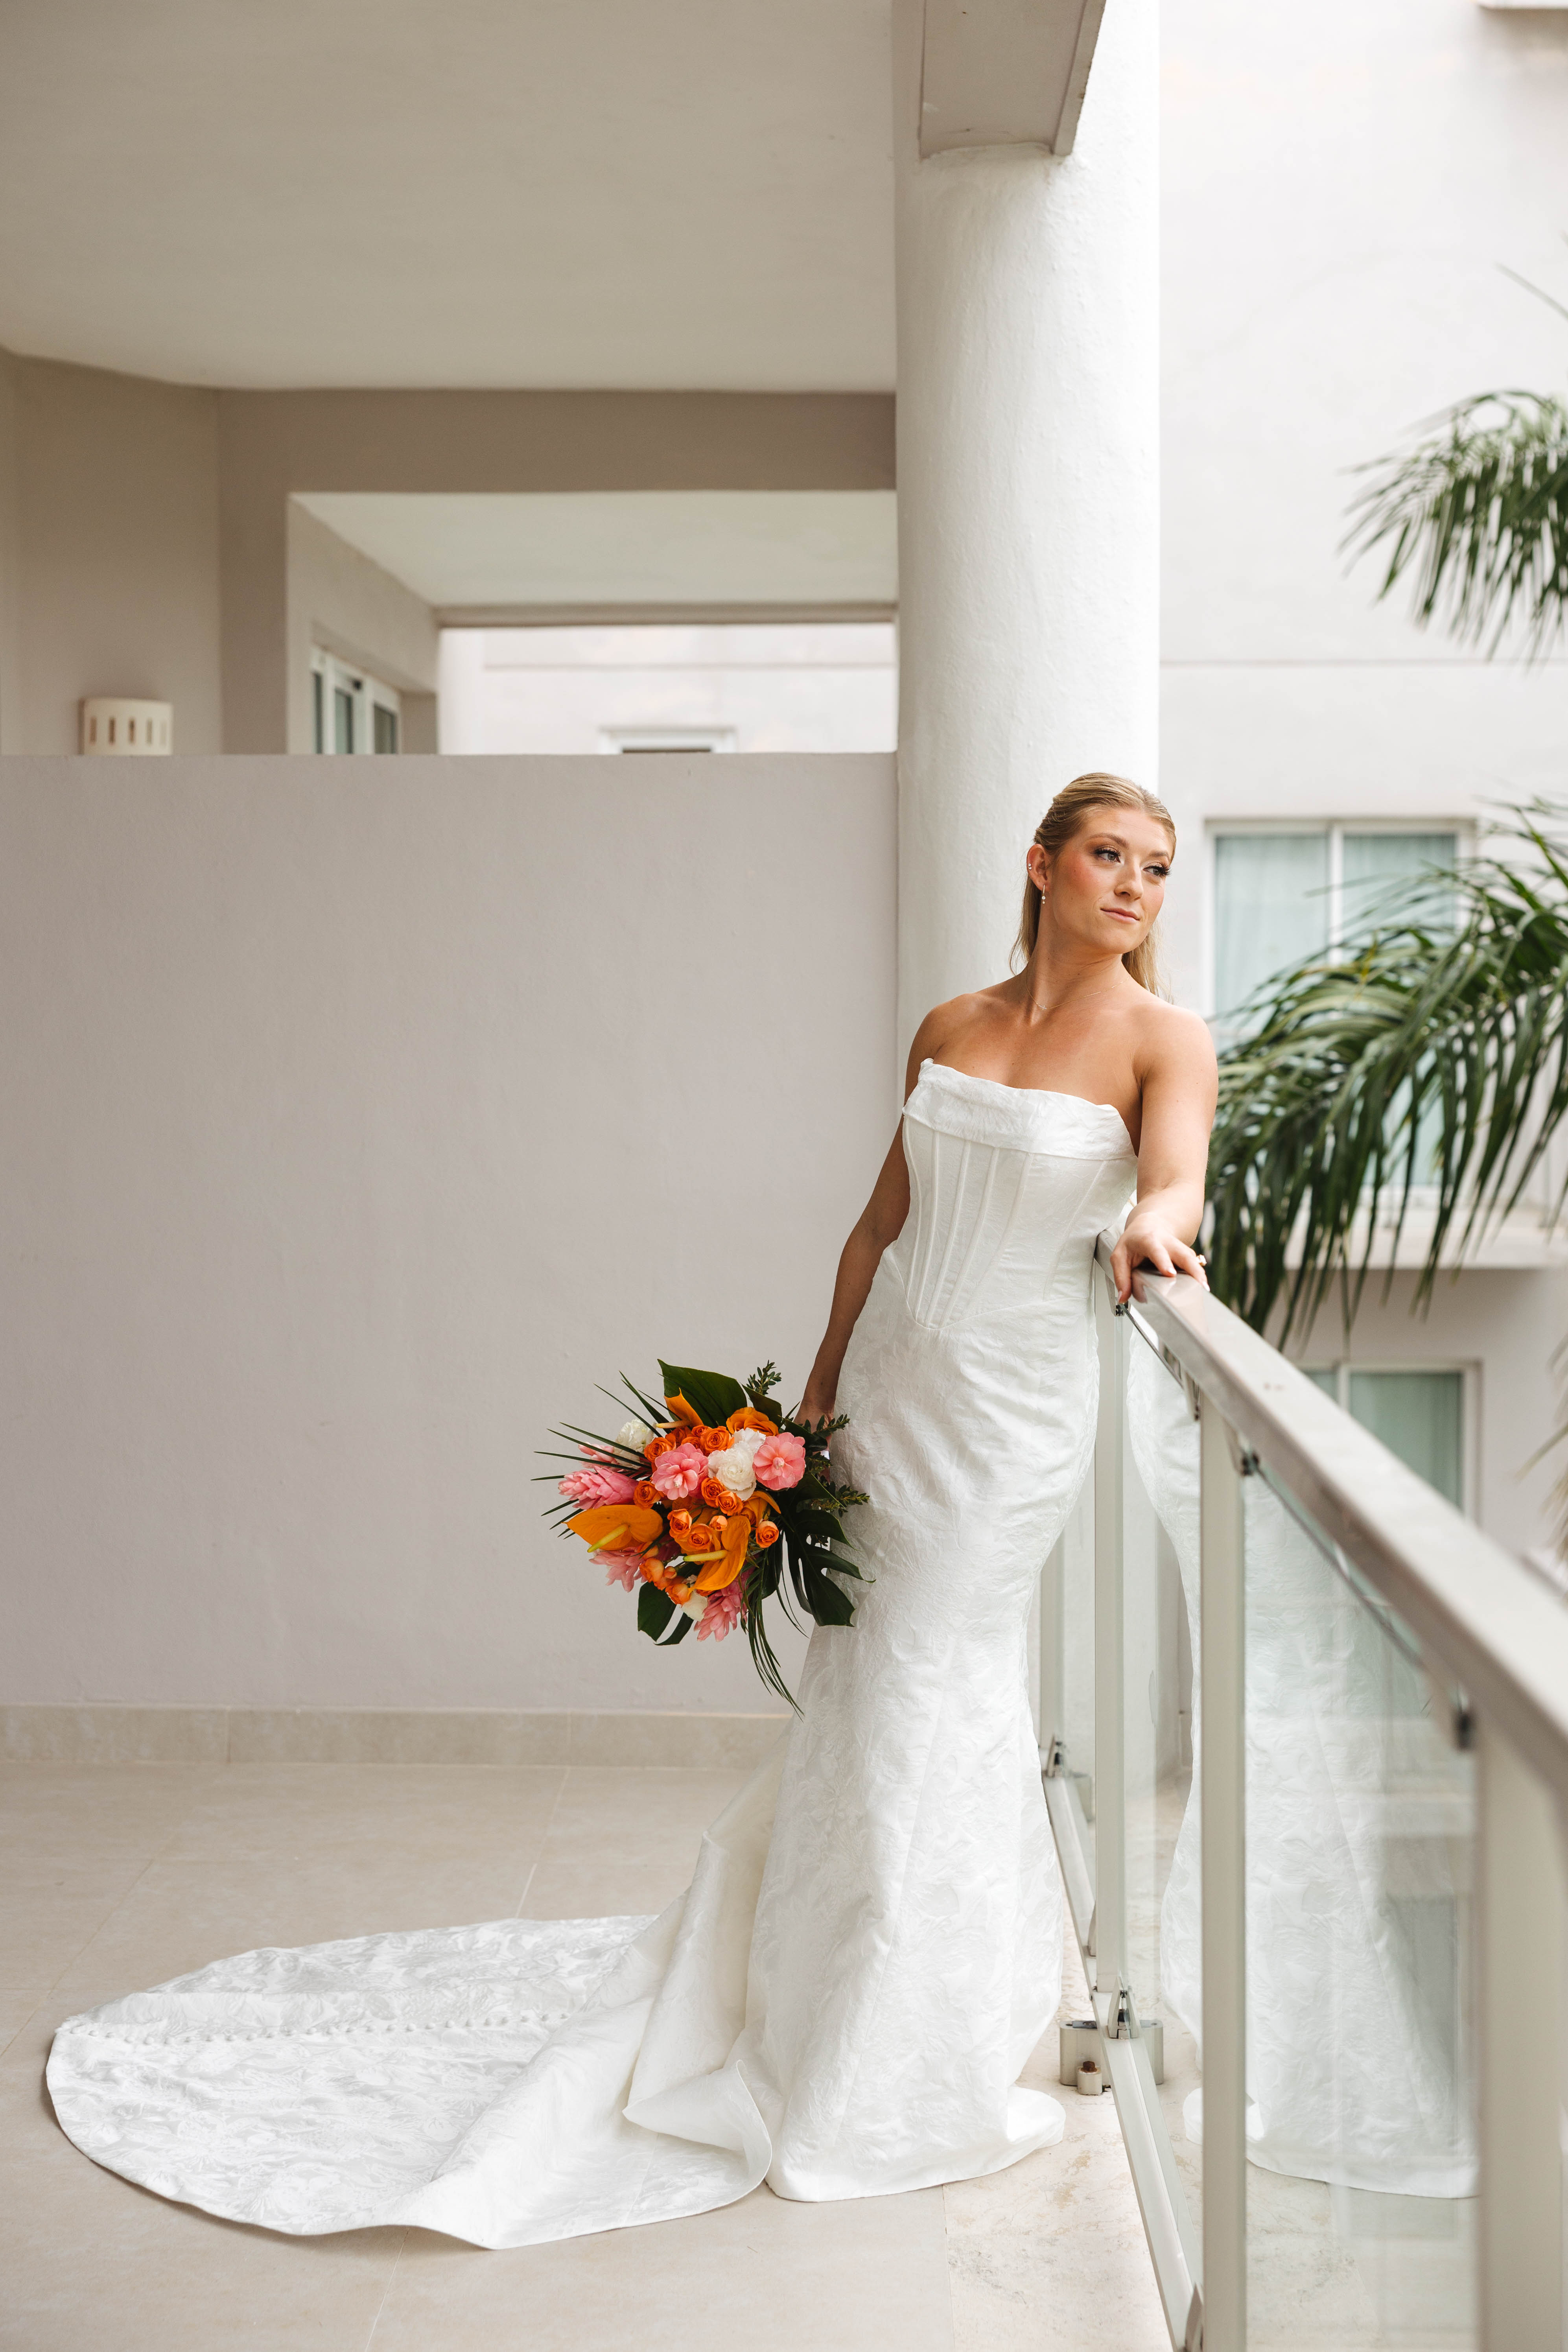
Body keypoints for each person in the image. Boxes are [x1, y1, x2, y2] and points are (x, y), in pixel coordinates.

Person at [47, 774, 1217, 2248]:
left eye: (1158, 869)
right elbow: (876, 1227)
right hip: (894, 1397)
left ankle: (903, 2049)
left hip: (1012, 1420)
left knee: (940, 1682)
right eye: (1108, 856)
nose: (1133, 886)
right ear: (1041, 864)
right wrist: (808, 1415)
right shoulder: (951, 1026)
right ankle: (830, 2002)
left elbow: (1169, 1184)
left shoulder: (1167, 1038)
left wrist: (1156, 1226)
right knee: (870, 1686)